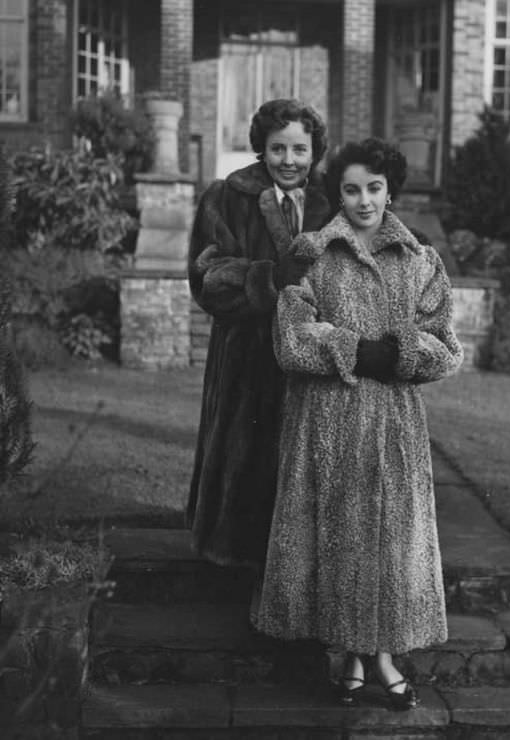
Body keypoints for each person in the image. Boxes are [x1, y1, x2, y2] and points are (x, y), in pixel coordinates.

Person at [256, 137, 463, 709]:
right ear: (337, 194)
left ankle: (378, 656)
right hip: (326, 422)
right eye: (351, 189)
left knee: (390, 543)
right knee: (338, 536)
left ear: (389, 188)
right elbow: (292, 342)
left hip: (394, 425)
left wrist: (396, 354)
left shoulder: (421, 259)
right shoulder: (311, 254)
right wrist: (357, 351)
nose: (364, 200)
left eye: (374, 187)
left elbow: (446, 348)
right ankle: (354, 655)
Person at [186, 98, 331, 572]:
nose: (289, 161)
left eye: (299, 150)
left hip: (310, 358)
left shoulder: (331, 202)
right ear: (261, 149)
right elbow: (206, 276)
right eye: (278, 149)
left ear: (314, 152)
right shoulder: (228, 196)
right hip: (246, 356)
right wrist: (272, 278)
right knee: (242, 463)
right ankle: (230, 568)